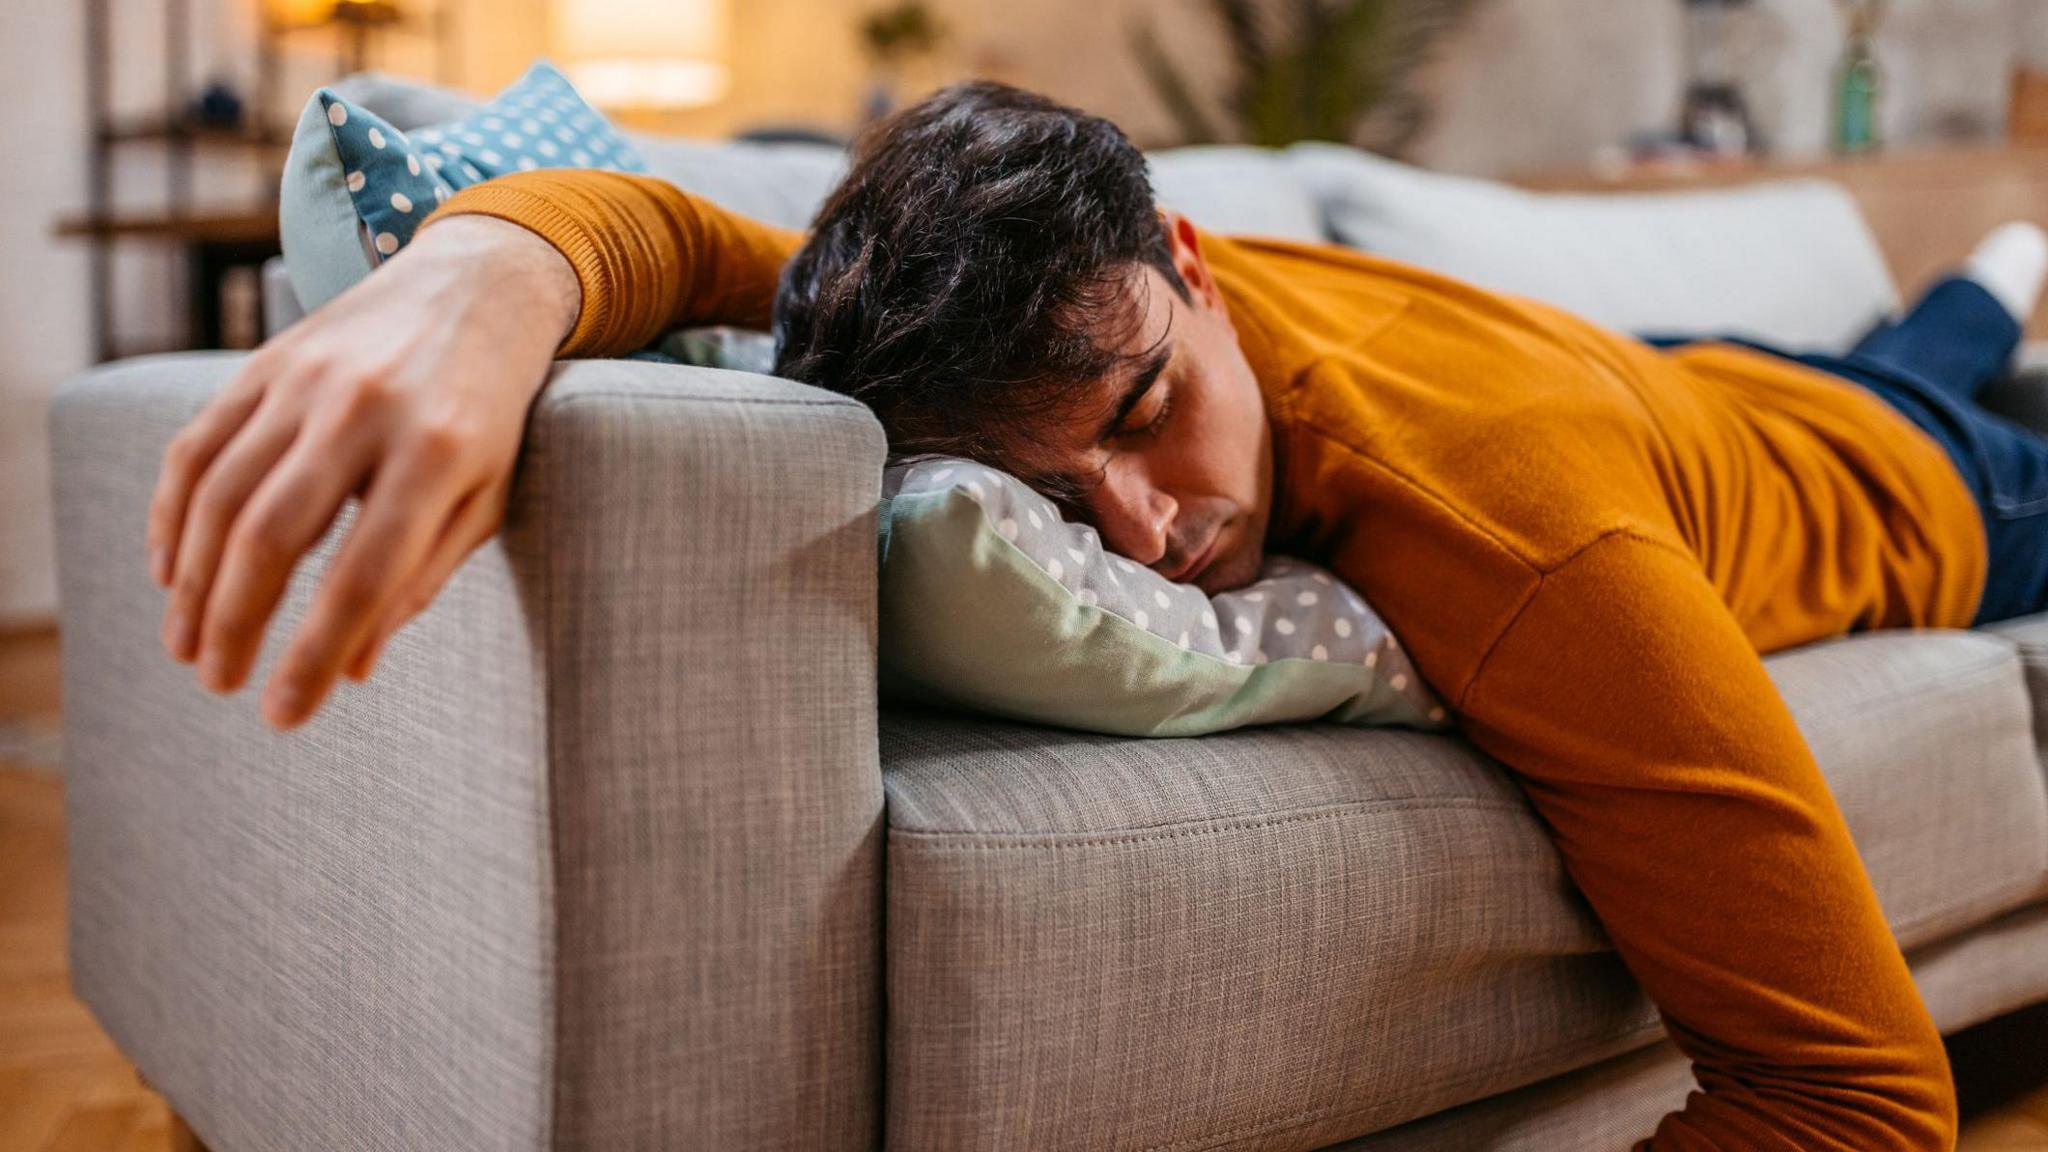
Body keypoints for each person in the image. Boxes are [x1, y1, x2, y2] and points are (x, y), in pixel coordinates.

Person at [143, 81, 2048, 1149]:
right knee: (1920, 333)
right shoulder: (1008, 310)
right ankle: (1984, 289)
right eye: (1051, 503)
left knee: (1950, 386)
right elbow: (665, 230)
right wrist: (474, 278)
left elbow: (1852, 1096)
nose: (1151, 536)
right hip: (1687, 377)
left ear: (1192, 266)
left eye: (1145, 415)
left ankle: (1992, 295)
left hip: (1929, 489)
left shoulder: (1520, 545)